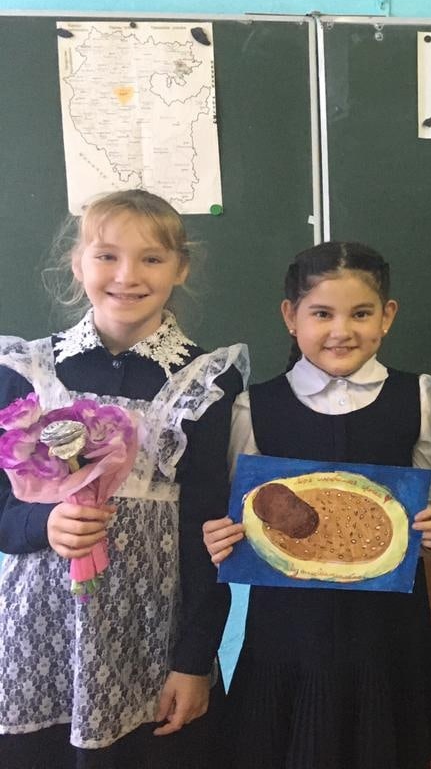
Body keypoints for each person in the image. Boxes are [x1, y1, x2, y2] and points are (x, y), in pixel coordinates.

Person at [0, 189, 248, 769]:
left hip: (149, 640)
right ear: (77, 263)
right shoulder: (27, 371)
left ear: (180, 268)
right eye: (107, 256)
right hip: (39, 637)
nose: (127, 276)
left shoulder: (206, 384)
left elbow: (209, 534)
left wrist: (194, 659)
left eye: (151, 259)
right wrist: (44, 524)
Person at [201, 241, 431, 769]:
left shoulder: (419, 397)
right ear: (291, 317)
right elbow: (240, 518)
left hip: (388, 637)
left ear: (387, 316)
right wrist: (221, 537)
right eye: (321, 314)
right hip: (287, 638)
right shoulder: (254, 407)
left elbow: (426, 515)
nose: (341, 330)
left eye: (360, 313)